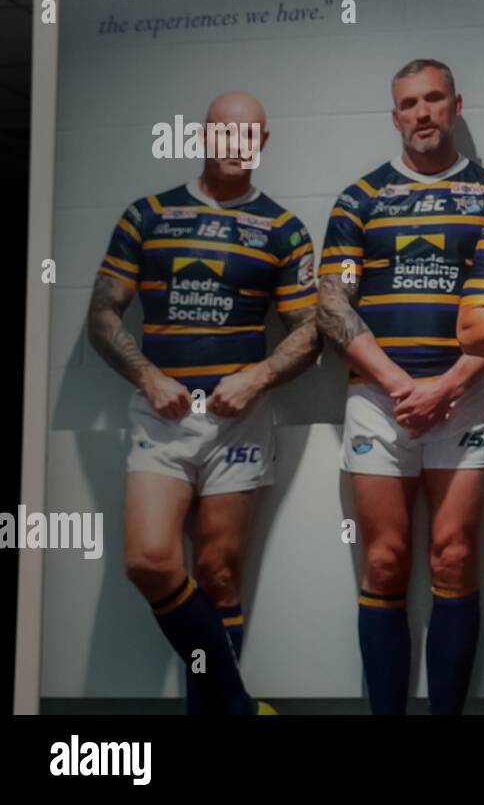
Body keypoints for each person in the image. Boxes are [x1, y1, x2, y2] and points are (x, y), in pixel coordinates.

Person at [88, 91, 318, 715]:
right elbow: (103, 314)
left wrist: (258, 376)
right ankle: (239, 707)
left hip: (237, 420)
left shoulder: (283, 228)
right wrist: (146, 377)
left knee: (218, 578)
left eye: (250, 136)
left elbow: (308, 330)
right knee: (148, 562)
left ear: (263, 143)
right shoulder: (150, 214)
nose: (237, 146)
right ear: (203, 137)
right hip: (160, 417)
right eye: (225, 133)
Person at [316, 59, 484, 714]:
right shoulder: (359, 198)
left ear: (456, 103)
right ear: (394, 114)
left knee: (455, 558)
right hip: (380, 398)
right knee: (385, 561)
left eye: (434, 98)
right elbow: (333, 307)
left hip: (465, 395)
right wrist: (403, 383)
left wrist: (448, 382)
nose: (422, 112)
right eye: (409, 103)